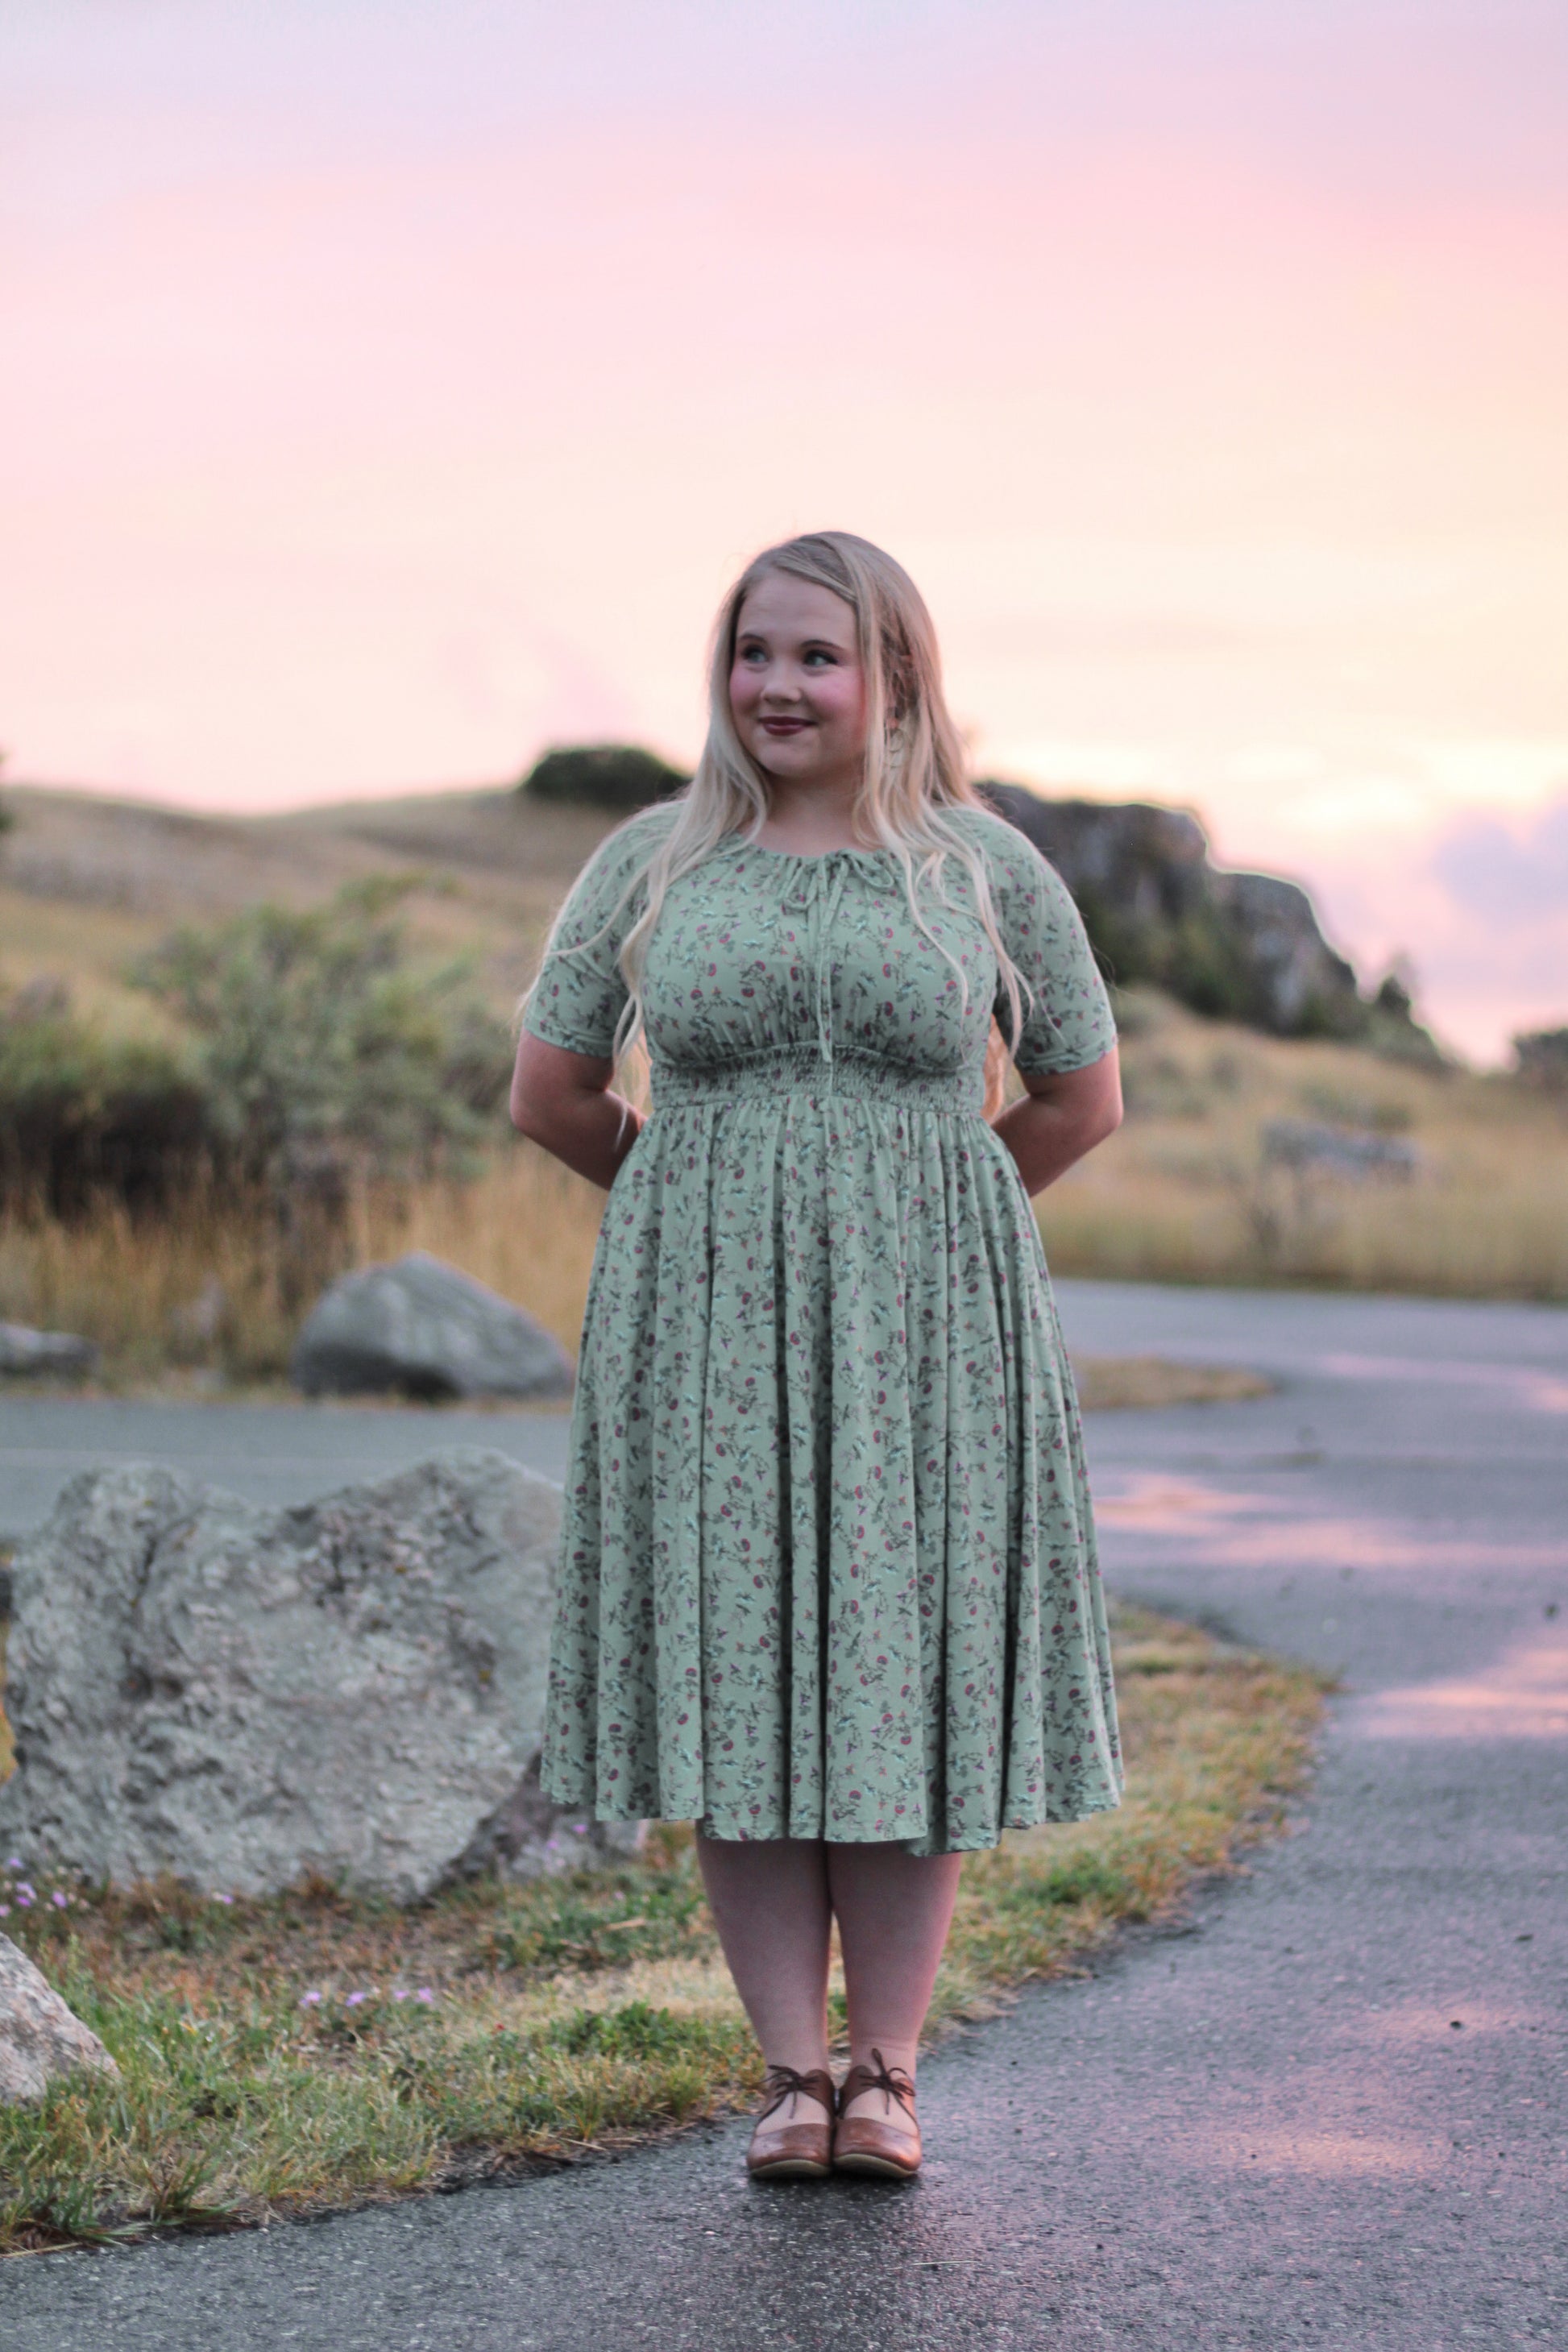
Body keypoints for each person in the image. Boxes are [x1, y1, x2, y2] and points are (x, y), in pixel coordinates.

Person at [511, 531, 1124, 2183]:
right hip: (704, 1331)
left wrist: (943, 1220)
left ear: (894, 678)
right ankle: (792, 2073)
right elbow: (550, 1090)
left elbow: (1078, 1094)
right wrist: (691, 1213)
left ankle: (889, 2074)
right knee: (744, 1672)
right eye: (752, 652)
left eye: (815, 656)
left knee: (895, 1676)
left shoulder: (982, 868)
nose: (774, 685)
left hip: (931, 1333)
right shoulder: (653, 860)